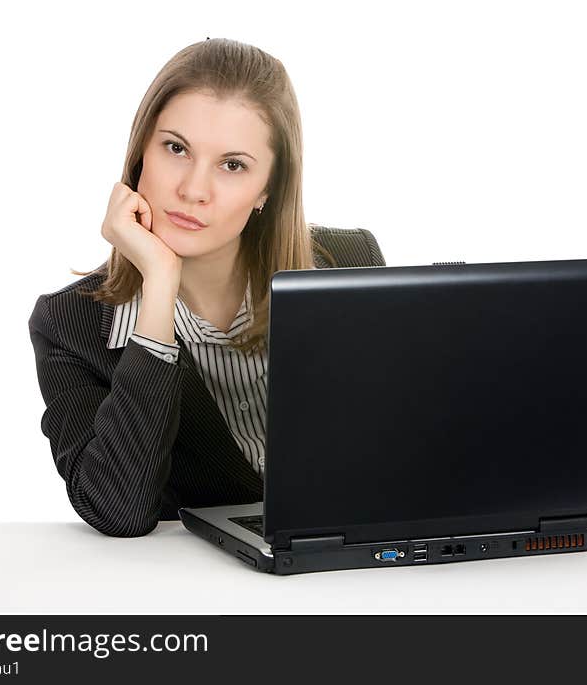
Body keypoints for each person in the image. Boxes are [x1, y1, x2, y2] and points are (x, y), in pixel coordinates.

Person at [28, 38, 385, 538]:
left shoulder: (349, 266)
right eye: (176, 149)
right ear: (140, 158)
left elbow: (402, 456)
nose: (194, 190)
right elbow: (117, 512)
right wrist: (157, 285)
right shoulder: (72, 324)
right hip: (195, 598)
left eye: (232, 165)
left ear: (268, 189)